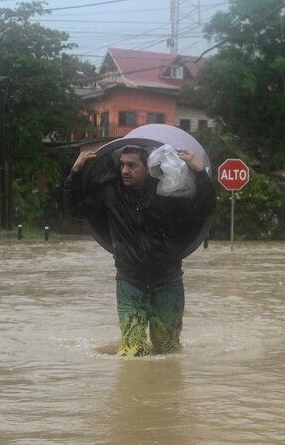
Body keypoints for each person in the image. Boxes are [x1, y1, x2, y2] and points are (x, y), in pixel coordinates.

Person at [63, 145, 216, 357]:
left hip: (168, 281)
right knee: (131, 351)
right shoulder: (109, 192)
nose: (125, 170)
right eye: (122, 165)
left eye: (132, 165)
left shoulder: (166, 192)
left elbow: (203, 210)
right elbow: (75, 208)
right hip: (129, 282)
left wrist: (199, 172)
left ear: (147, 168)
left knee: (168, 349)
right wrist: (76, 171)